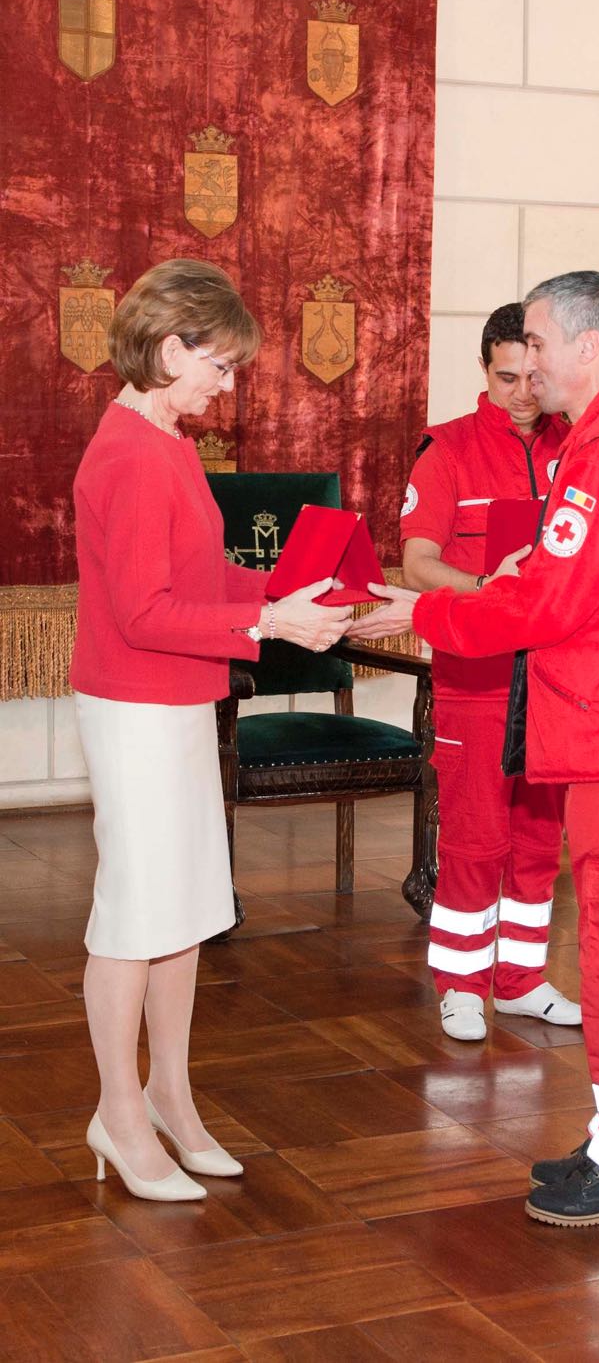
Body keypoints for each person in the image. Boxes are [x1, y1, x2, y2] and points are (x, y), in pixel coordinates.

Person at [352, 271, 599, 1227]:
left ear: (588, 346)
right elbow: (562, 580)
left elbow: (549, 600)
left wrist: (423, 609)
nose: (531, 360)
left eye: (542, 342)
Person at [71, 258, 350, 1201]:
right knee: (132, 917)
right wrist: (269, 623)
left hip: (178, 699)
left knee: (183, 911)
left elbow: (201, 578)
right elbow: (146, 612)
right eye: (220, 367)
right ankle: (116, 1114)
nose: (227, 387)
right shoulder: (127, 454)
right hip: (136, 704)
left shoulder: (171, 445)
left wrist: (282, 591)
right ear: (168, 346)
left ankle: (171, 1098)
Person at [399, 302, 579, 1040]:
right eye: (507, 378)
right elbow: (416, 564)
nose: (522, 393)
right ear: (484, 369)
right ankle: (461, 983)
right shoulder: (447, 450)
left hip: (560, 676)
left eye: (534, 377)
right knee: (474, 837)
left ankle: (521, 979)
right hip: (477, 674)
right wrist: (490, 589)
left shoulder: (581, 447)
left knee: (540, 838)